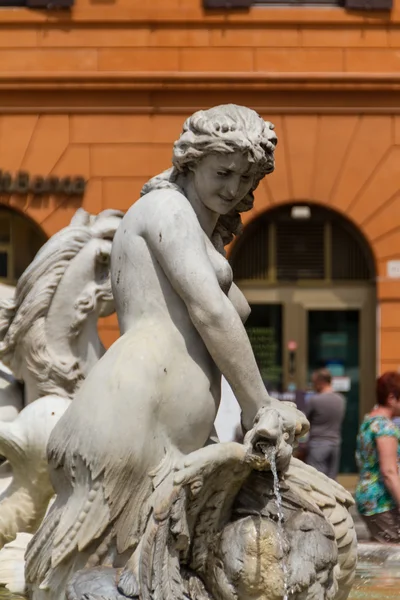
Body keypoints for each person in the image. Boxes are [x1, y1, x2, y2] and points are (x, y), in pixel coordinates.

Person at [25, 105, 309, 599]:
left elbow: (229, 308)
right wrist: (258, 404)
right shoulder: (166, 209)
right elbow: (211, 311)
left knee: (147, 572)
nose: (234, 189)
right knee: (91, 573)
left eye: (246, 179)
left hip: (161, 417)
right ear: (190, 162)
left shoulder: (195, 224)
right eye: (223, 173)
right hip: (135, 406)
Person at [355, 371, 400, 543]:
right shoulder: (384, 427)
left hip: (369, 498)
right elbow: (389, 472)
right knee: (393, 559)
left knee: (381, 556)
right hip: (382, 501)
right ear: (391, 398)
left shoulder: (369, 421)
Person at [304, 368, 346, 479]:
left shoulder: (314, 400)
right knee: (332, 481)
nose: (313, 386)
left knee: (316, 481)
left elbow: (303, 421)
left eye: (314, 383)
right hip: (335, 444)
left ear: (320, 382)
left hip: (318, 444)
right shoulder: (341, 399)